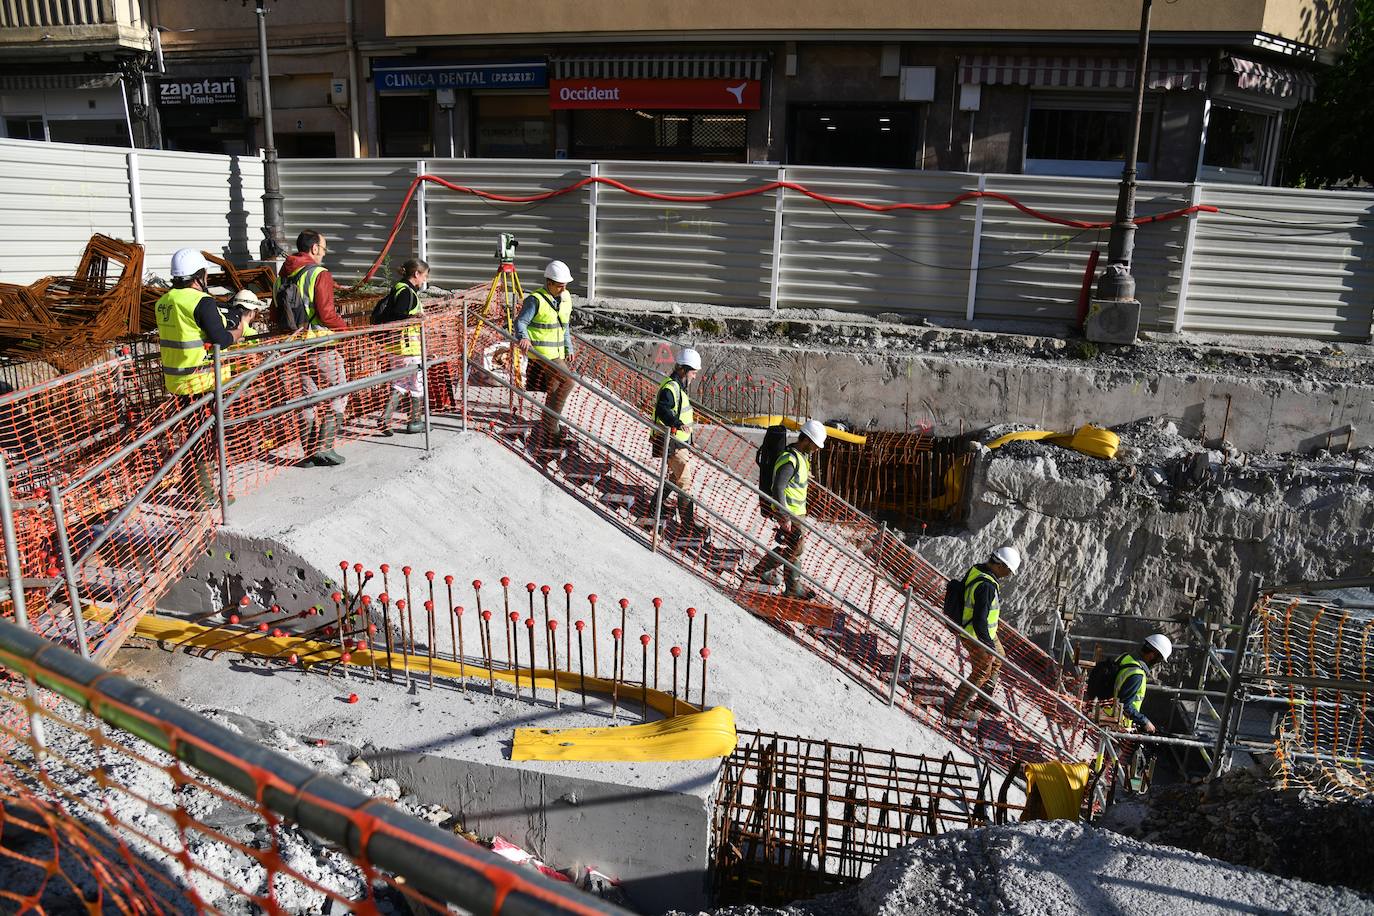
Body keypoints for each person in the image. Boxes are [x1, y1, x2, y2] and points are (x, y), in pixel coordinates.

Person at [154, 248, 246, 503]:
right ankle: (205, 494)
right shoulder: (201, 301)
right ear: (200, 275)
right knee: (204, 437)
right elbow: (220, 338)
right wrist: (237, 332)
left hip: (177, 380)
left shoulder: (163, 302)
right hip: (202, 381)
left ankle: (192, 488)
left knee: (192, 434)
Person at [278, 229, 349, 467]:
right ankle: (324, 447)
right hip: (321, 346)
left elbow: (273, 312)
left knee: (307, 400)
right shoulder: (319, 274)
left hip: (296, 348)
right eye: (324, 249)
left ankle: (308, 454)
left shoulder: (283, 275)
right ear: (315, 248)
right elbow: (327, 313)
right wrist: (345, 330)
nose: (324, 254)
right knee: (338, 392)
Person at [747, 419, 827, 600]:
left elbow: (795, 480)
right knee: (796, 548)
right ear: (806, 440)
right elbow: (778, 488)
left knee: (795, 548)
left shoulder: (801, 457)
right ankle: (788, 585)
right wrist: (784, 517)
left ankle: (769, 573)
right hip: (789, 512)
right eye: (815, 445)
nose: (816, 449)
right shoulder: (790, 459)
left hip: (797, 512)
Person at [946, 545, 1021, 721]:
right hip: (975, 635)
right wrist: (988, 647)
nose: (1008, 575)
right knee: (981, 671)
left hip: (985, 632)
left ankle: (982, 700)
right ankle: (957, 709)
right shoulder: (986, 586)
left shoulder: (978, 569)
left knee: (999, 658)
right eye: (1008, 570)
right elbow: (979, 620)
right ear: (1000, 565)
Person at [647, 347, 708, 538]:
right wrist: (677, 424)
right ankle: (688, 526)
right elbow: (663, 410)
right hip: (671, 442)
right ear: (682, 369)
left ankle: (653, 508)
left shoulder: (677, 386)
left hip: (679, 442)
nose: (695, 376)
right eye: (693, 372)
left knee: (675, 478)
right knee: (684, 482)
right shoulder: (670, 388)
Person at [515, 260, 575, 447]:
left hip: (557, 353)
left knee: (556, 388)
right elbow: (521, 322)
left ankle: (548, 431)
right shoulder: (535, 299)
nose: (563, 289)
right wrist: (523, 337)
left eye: (565, 286)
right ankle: (552, 430)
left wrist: (568, 347)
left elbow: (564, 326)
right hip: (540, 354)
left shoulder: (565, 298)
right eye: (559, 286)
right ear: (549, 282)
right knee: (568, 381)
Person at [375, 258, 429, 436]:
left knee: (399, 383)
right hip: (409, 347)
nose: (424, 281)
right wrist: (416, 318)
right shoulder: (407, 292)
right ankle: (415, 421)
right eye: (424, 276)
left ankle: (385, 418)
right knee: (417, 385)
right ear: (416, 274)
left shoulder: (399, 287)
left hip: (395, 347)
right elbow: (398, 317)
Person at [1102, 634, 1172, 735]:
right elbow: (1125, 704)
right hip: (1116, 723)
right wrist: (1144, 721)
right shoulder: (1136, 674)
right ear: (1152, 655)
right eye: (1159, 659)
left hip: (1105, 711)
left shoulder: (1125, 657)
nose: (1157, 663)